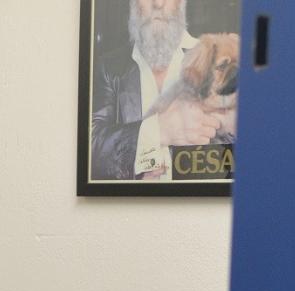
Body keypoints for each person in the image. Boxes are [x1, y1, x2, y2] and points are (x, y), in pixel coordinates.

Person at [90, 0, 231, 180]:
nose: (158, 3)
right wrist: (160, 130)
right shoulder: (109, 68)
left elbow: (238, 152)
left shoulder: (217, 60)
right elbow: (90, 149)